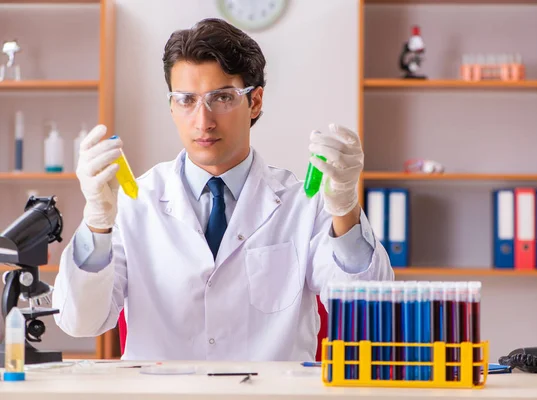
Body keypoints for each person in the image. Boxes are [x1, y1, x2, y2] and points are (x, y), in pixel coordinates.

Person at [52, 18, 393, 361]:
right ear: (172, 105)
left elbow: (366, 314)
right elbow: (81, 321)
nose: (203, 121)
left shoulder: (304, 202)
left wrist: (345, 209)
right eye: (186, 100)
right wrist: (96, 224)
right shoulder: (133, 203)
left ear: (255, 102)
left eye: (222, 97)